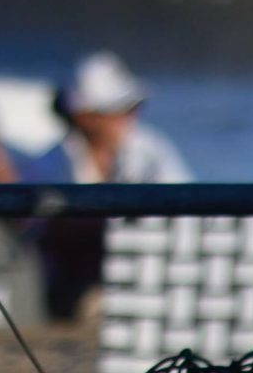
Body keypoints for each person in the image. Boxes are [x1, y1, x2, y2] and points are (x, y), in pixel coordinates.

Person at [20, 51, 190, 319]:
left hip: (146, 273)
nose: (129, 117)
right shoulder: (51, 162)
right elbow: (34, 231)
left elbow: (183, 214)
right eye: (119, 110)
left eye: (131, 108)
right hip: (67, 284)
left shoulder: (151, 150)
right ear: (85, 116)